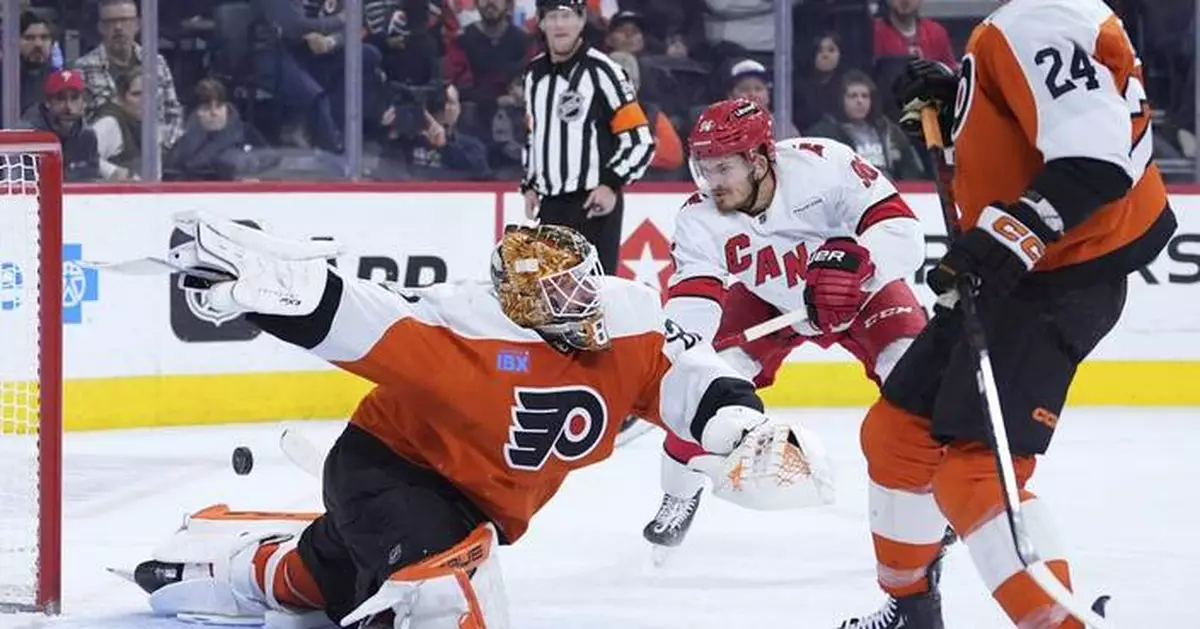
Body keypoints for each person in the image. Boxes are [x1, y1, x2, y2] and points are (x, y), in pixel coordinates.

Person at [116, 216, 832, 629]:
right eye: (559, 292)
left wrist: (741, 425)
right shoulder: (462, 328)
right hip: (391, 473)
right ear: (518, 304)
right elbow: (347, 311)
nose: (582, 299)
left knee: (321, 580)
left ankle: (227, 568)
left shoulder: (630, 315)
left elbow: (691, 377)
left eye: (583, 278)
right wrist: (259, 297)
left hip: (475, 506)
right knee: (442, 600)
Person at [838, 0, 1177, 627]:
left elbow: (1096, 166)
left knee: (975, 476)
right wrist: (960, 102)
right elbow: (1056, 119)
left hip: (1057, 278)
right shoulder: (1039, 15)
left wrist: (1005, 238)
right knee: (898, 437)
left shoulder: (1041, 18)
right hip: (1024, 273)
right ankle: (913, 612)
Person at [640, 98, 931, 573]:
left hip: (859, 290)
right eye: (704, 169)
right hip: (769, 299)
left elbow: (902, 231)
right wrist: (681, 356)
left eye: (723, 168)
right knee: (703, 390)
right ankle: (678, 494)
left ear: (758, 159)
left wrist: (860, 266)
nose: (712, 183)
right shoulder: (699, 217)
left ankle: (931, 500)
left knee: (914, 371)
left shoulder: (825, 164)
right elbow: (694, 299)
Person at [521, 0, 656, 274]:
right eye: (552, 16)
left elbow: (640, 139)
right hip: (550, 205)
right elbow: (535, 134)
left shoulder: (603, 71)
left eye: (566, 15)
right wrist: (530, 184)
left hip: (592, 204)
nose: (559, 24)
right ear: (541, 22)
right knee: (549, 295)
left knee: (593, 294)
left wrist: (611, 184)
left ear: (582, 20)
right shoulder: (533, 75)